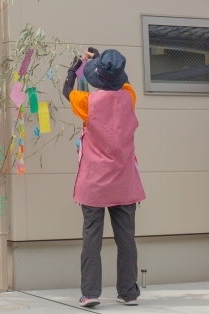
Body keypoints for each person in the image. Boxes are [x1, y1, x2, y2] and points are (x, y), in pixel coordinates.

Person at [64, 48, 145, 308]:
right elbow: (125, 82)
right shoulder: (130, 98)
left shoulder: (87, 103)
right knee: (126, 239)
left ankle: (90, 293)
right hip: (124, 180)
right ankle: (129, 293)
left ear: (97, 78)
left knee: (92, 238)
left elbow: (67, 90)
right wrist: (105, 64)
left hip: (94, 182)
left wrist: (77, 65)